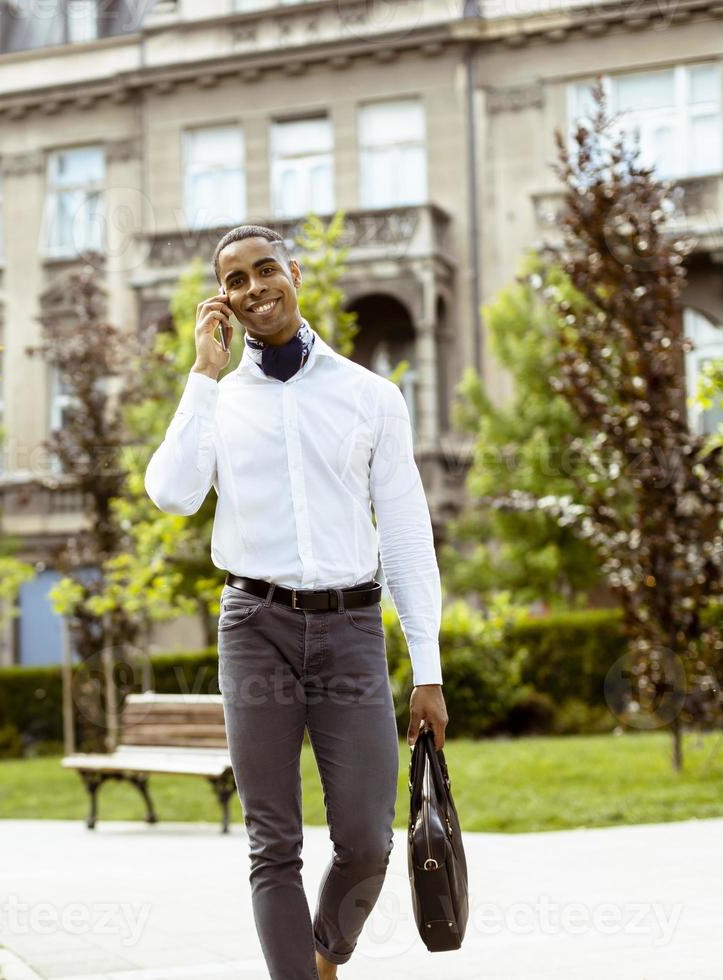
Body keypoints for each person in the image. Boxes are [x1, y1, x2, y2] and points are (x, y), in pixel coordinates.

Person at [144, 225, 448, 980]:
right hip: (255, 629)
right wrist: (200, 377)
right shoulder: (218, 397)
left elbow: (406, 532)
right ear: (223, 298)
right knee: (272, 842)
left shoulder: (368, 396)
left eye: (266, 270)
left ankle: (322, 955)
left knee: (369, 843)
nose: (255, 289)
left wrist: (428, 667)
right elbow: (172, 495)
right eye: (236, 280)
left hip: (349, 627)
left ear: (296, 274)